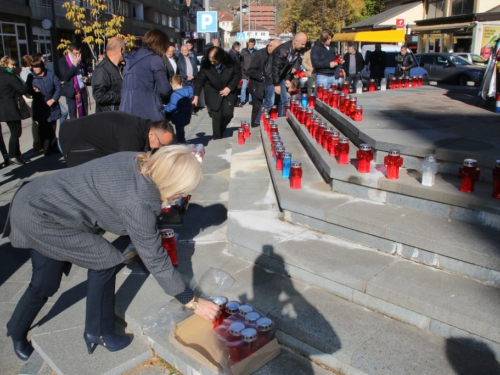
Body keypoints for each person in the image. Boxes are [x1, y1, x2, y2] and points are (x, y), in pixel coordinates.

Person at [3, 146, 220, 361]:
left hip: (38, 198)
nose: (183, 195)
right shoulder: (140, 202)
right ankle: (98, 332)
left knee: (45, 283)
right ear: (172, 182)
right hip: (43, 216)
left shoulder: (136, 160)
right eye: (183, 190)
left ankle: (16, 329)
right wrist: (191, 301)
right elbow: (155, 258)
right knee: (105, 261)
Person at [59, 111, 174, 167]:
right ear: (152, 134)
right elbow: (127, 166)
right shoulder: (132, 135)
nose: (160, 148)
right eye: (161, 144)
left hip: (79, 136)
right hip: (74, 142)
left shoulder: (143, 127)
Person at [120, 29, 172, 121]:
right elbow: (165, 90)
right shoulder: (155, 60)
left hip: (126, 109)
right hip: (148, 110)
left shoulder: (130, 58)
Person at [193, 47, 241, 140]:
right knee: (216, 117)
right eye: (210, 60)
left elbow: (237, 75)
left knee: (228, 114)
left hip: (228, 92)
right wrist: (196, 96)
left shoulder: (230, 62)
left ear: (220, 58)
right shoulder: (206, 64)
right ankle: (217, 137)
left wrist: (229, 88)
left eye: (214, 61)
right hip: (213, 92)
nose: (212, 63)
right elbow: (199, 80)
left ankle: (220, 131)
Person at [26, 55, 62, 156]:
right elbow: (27, 90)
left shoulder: (50, 75)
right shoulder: (31, 77)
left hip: (52, 106)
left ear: (41, 66)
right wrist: (34, 92)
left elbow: (58, 87)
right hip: (40, 106)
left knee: (52, 127)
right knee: (43, 128)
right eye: (33, 67)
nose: (35, 69)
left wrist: (53, 99)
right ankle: (46, 148)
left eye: (37, 67)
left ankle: (53, 146)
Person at [0, 56, 30, 166]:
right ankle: (13, 155)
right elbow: (22, 89)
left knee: (15, 131)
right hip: (11, 108)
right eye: (12, 65)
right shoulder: (9, 76)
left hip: (4, 108)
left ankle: (17, 154)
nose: (14, 67)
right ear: (5, 64)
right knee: (16, 132)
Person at [272, 32, 307, 117]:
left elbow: (288, 67)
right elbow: (276, 67)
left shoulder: (296, 51)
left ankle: (281, 120)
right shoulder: (284, 49)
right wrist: (276, 84)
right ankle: (261, 121)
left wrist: (287, 78)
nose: (303, 46)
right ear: (295, 41)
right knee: (270, 102)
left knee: (284, 101)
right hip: (272, 77)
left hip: (281, 77)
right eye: (302, 44)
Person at [248, 39, 282, 127]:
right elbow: (251, 70)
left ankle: (263, 123)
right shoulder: (259, 54)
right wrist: (262, 76)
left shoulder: (276, 55)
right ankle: (255, 125)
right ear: (270, 46)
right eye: (277, 48)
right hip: (257, 85)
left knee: (269, 104)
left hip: (270, 85)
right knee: (257, 107)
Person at [91, 37, 125, 112]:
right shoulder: (102, 69)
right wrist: (122, 96)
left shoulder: (120, 68)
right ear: (121, 50)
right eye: (125, 50)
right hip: (108, 118)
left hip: (120, 115)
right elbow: (99, 96)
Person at [58, 42, 89, 118]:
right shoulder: (63, 61)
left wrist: (86, 78)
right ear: (70, 52)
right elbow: (66, 77)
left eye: (79, 52)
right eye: (75, 53)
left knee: (84, 114)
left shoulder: (82, 60)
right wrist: (74, 65)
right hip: (71, 92)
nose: (77, 55)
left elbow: (85, 73)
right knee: (73, 115)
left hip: (82, 90)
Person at [20, 55, 42, 151]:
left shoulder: (27, 71)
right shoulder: (25, 73)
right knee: (35, 121)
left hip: (33, 98)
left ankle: (38, 141)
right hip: (30, 99)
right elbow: (26, 87)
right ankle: (37, 142)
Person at [164, 75, 193, 144]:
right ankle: (182, 141)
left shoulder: (175, 94)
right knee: (181, 130)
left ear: (172, 84)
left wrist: (164, 108)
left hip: (178, 116)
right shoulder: (189, 91)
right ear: (182, 82)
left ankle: (181, 143)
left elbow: (172, 106)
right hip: (186, 114)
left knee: (179, 131)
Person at [238, 38, 256, 107]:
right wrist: (242, 68)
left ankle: (251, 100)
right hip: (244, 72)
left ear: (254, 44)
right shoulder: (244, 51)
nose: (250, 45)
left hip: (252, 72)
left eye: (252, 44)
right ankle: (242, 100)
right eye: (249, 44)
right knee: (244, 87)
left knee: (251, 87)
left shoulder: (255, 52)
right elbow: (241, 61)